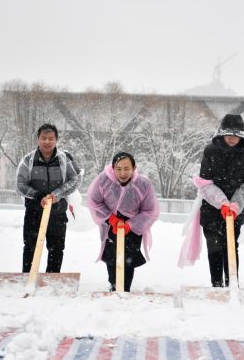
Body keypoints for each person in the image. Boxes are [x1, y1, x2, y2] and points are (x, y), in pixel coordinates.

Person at [187, 114, 244, 287]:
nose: (232, 138)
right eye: (228, 133)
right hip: (211, 207)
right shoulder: (211, 150)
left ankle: (232, 283)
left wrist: (235, 205)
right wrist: (222, 203)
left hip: (236, 208)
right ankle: (216, 286)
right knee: (214, 247)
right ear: (222, 133)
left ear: (242, 134)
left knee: (231, 246)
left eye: (236, 134)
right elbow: (205, 183)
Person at [87, 152, 159, 292]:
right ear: (113, 168)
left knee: (129, 258)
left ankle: (125, 288)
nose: (123, 173)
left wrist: (130, 224)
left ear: (134, 168)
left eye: (127, 168)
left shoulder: (143, 184)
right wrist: (111, 218)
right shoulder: (103, 180)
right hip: (110, 223)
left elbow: (150, 210)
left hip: (133, 226)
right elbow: (94, 201)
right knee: (111, 256)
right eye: (119, 169)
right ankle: (114, 284)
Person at [16, 123, 81, 273]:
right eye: (43, 138)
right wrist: (37, 195)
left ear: (56, 140)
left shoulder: (63, 159)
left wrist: (57, 194)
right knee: (30, 246)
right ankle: (28, 276)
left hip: (57, 212)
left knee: (56, 248)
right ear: (38, 139)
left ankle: (52, 278)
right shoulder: (28, 160)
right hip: (34, 211)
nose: (47, 142)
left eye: (50, 138)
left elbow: (74, 180)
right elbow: (20, 184)